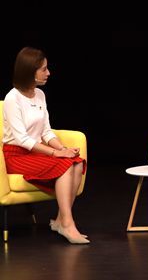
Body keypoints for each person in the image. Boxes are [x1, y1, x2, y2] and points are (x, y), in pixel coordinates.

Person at [2, 47, 88, 244]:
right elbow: (22, 140)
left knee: (76, 162)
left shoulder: (40, 94)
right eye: (43, 69)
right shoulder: (12, 98)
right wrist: (55, 154)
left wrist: (63, 149)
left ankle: (60, 220)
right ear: (29, 71)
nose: (48, 73)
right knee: (65, 164)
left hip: (34, 152)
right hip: (16, 155)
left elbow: (46, 132)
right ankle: (68, 224)